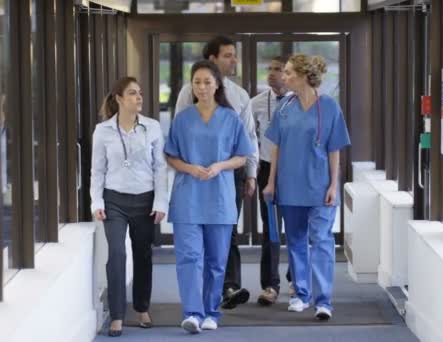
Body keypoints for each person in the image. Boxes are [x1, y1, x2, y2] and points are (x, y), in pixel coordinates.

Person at [165, 60, 254, 333]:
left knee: (217, 260)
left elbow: (243, 155)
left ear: (217, 84)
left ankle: (211, 312)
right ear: (191, 87)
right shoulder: (182, 119)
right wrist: (190, 168)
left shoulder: (231, 118)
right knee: (189, 257)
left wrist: (220, 166)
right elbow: (171, 155)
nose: (201, 87)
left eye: (206, 82)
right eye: (197, 82)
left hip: (220, 197)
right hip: (188, 198)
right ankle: (192, 313)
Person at [263, 54, 351, 321]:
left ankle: (323, 301)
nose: (284, 76)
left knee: (322, 241)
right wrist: (271, 182)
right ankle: (301, 295)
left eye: (289, 73)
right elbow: (275, 147)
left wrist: (334, 185)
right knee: (297, 241)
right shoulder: (285, 107)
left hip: (320, 186)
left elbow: (334, 149)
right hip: (289, 186)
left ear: (303, 76)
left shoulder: (329, 107)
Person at [90, 77, 167, 336]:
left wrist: (160, 202)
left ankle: (142, 307)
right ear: (119, 98)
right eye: (133, 93)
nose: (139, 98)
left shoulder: (152, 127)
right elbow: (97, 170)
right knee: (117, 254)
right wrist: (96, 201)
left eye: (140, 93)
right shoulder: (103, 131)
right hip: (114, 201)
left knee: (142, 254)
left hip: (145, 200)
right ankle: (117, 314)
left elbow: (160, 167)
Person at [250, 56, 293, 306]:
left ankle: (296, 278)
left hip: (293, 170)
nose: (273, 73)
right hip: (267, 169)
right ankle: (270, 284)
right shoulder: (256, 103)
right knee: (271, 229)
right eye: (270, 68)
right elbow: (250, 138)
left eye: (278, 69)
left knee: (297, 228)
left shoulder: (299, 102)